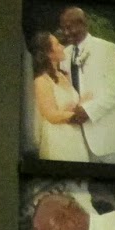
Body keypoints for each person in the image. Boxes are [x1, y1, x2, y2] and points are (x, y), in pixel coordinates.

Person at [58, 7, 115, 165]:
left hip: (109, 137)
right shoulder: (65, 54)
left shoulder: (108, 48)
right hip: (78, 138)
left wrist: (89, 110)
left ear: (83, 24)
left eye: (69, 27)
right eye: (63, 28)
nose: (66, 33)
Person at [29, 33, 89, 162]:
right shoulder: (42, 81)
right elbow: (50, 115)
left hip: (74, 136)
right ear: (48, 53)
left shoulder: (63, 76)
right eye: (57, 44)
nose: (62, 47)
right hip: (58, 139)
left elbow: (72, 104)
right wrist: (77, 114)